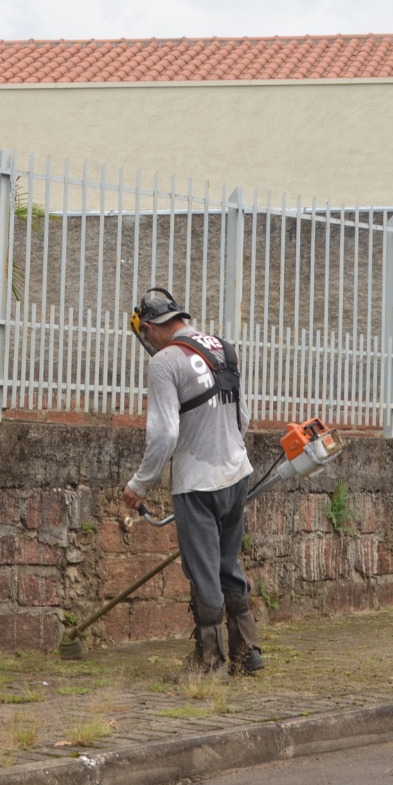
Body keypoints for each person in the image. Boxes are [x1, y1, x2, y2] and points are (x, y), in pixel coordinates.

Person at [122, 287, 264, 676]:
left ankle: (209, 663)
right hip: (237, 473)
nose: (147, 343)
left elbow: (165, 433)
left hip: (197, 484)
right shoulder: (224, 347)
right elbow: (244, 416)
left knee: (203, 571)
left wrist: (139, 486)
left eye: (146, 336)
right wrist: (227, 449)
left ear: (150, 328)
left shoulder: (165, 362)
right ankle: (247, 653)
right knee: (226, 562)